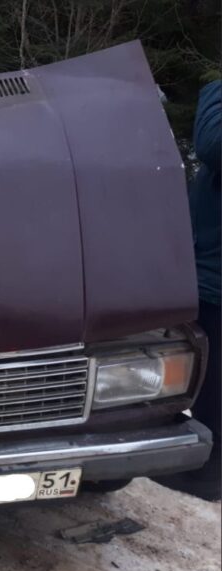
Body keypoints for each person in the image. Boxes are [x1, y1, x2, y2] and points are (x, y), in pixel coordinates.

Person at [155, 80, 221, 501]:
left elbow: (212, 142)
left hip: (213, 275)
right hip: (206, 264)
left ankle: (207, 472)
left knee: (209, 374)